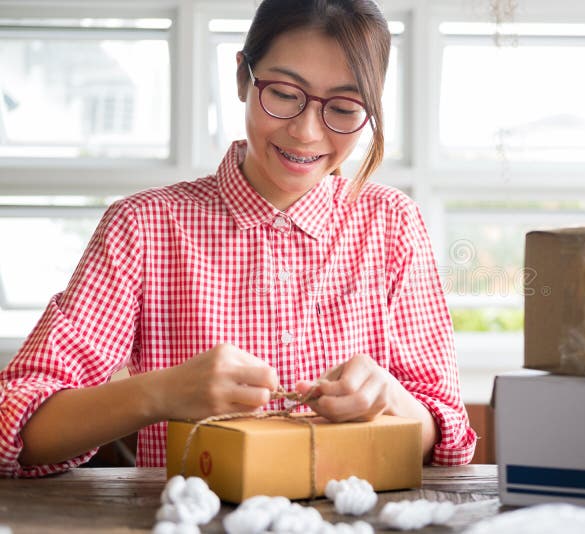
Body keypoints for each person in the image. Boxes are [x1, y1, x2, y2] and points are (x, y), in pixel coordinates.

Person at [0, 0, 476, 477]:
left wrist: (391, 398)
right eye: (286, 94)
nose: (307, 132)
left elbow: (449, 438)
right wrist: (159, 394)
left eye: (345, 107)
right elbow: (16, 430)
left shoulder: (393, 224)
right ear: (242, 79)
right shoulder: (143, 227)